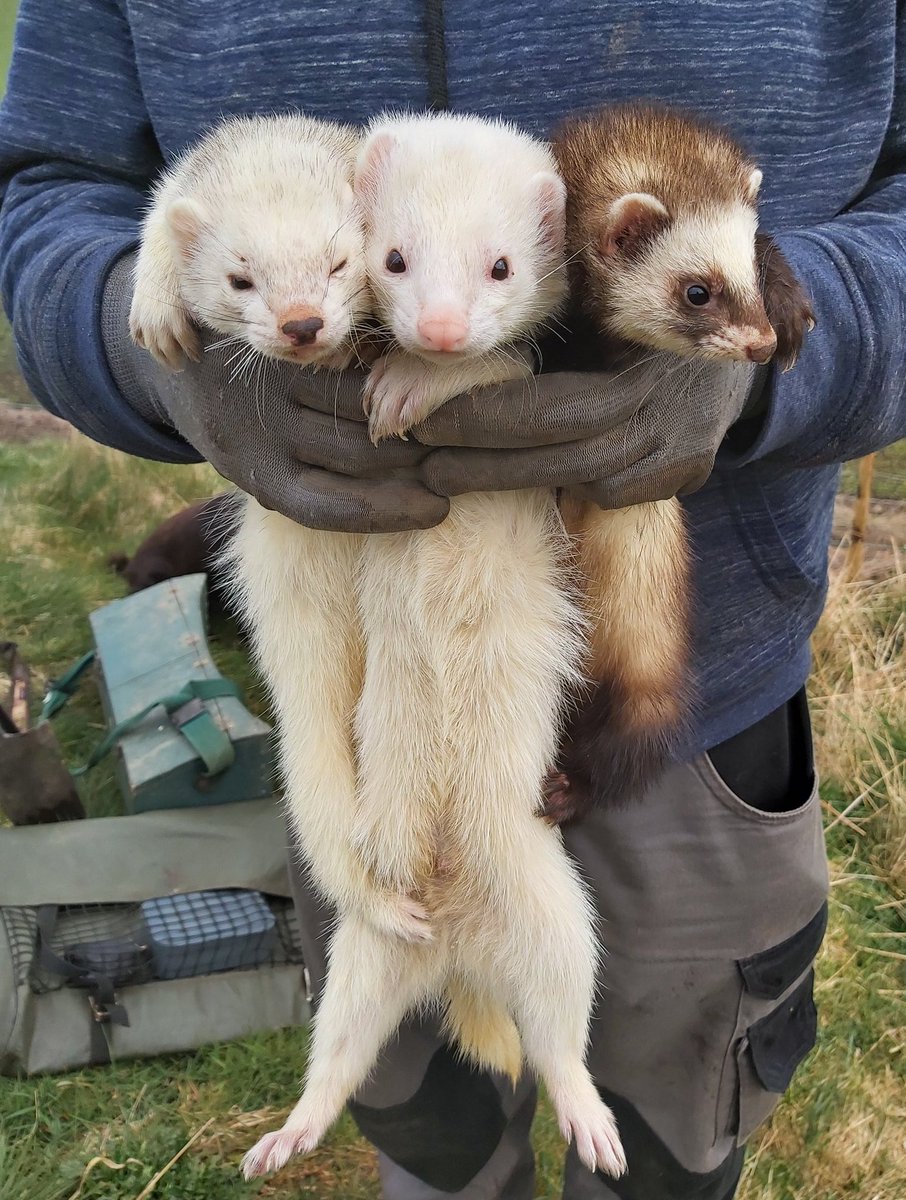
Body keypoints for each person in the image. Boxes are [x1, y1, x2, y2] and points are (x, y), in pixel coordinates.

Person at [1, 3, 904, 1197]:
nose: (431, 327)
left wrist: (791, 352)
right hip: (369, 702)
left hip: (697, 705)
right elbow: (50, 192)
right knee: (423, 1117)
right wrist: (158, 357)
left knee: (675, 1132)